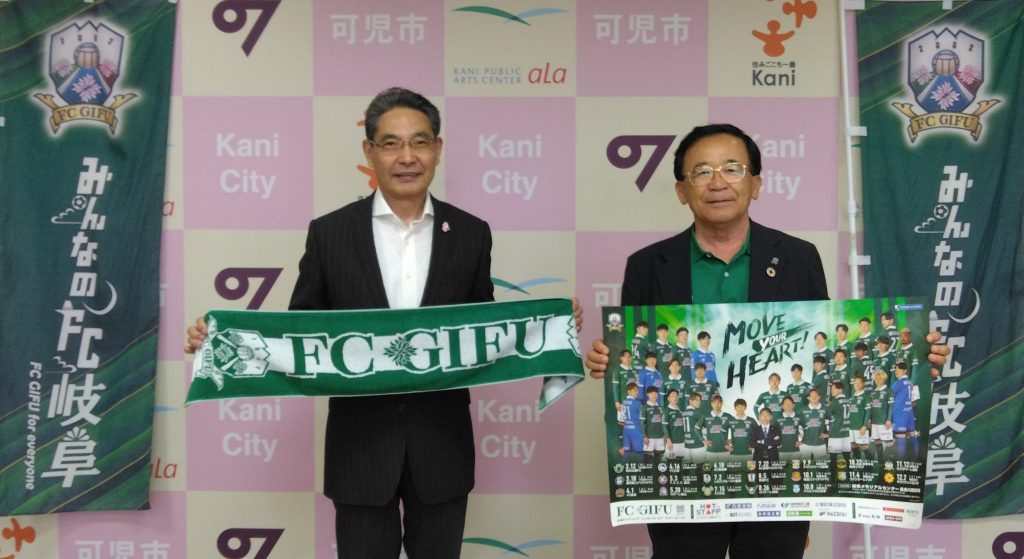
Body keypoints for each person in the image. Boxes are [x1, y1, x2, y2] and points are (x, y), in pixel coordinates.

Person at [184, 87, 584, 559]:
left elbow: (483, 327)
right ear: (369, 151)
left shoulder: (471, 233)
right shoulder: (330, 233)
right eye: (391, 144)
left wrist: (550, 326)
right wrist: (223, 339)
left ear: (437, 149)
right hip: (360, 450)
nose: (406, 157)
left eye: (420, 142)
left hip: (442, 447)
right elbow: (298, 332)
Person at [583, 123, 947, 559]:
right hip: (685, 480)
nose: (717, 182)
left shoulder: (798, 257)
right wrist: (609, 358)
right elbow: (635, 356)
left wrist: (915, 355)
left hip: (775, 470)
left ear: (755, 183)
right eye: (701, 172)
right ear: (682, 190)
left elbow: (821, 352)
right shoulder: (647, 266)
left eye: (732, 168)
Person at [797, 388, 828, 460]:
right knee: (804, 465)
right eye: (811, 396)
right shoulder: (802, 410)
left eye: (816, 395)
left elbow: (834, 422)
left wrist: (827, 435)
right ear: (808, 397)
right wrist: (797, 439)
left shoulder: (825, 409)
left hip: (820, 444)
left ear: (819, 397)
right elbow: (795, 425)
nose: (814, 397)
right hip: (805, 444)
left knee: (821, 465)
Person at [642, 385, 667, 462]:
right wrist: (644, 436)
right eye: (651, 393)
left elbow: (663, 424)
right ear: (647, 394)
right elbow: (641, 423)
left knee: (658, 461)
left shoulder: (660, 408)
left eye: (655, 393)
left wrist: (665, 435)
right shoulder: (644, 408)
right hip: (649, 438)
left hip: (660, 438)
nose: (654, 395)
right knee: (647, 460)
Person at [621, 382, 644, 462]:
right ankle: (641, 468)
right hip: (636, 431)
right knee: (639, 454)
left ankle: (625, 469)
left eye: (637, 390)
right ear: (629, 391)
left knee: (626, 453)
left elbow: (621, 420)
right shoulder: (637, 403)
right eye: (635, 390)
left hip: (626, 431)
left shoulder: (623, 402)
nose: (637, 392)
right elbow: (642, 420)